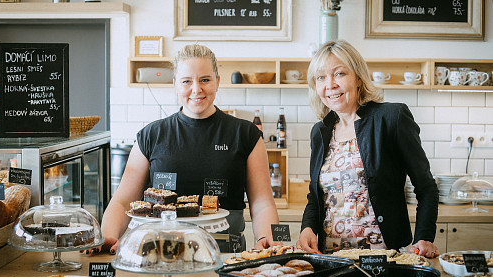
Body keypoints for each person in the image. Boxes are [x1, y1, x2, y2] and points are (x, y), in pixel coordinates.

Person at [90, 44, 279, 255]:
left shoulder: (246, 135)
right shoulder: (151, 136)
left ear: (218, 81)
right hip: (161, 255)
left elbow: (262, 202)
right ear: (175, 85)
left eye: (205, 80)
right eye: (186, 81)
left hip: (225, 254)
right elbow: (122, 201)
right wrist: (108, 236)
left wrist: (268, 239)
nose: (196, 89)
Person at [296, 40, 439, 258]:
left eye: (340, 74)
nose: (330, 84)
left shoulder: (391, 118)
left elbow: (426, 187)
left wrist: (424, 237)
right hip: (331, 260)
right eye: (321, 77)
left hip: (386, 258)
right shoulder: (320, 131)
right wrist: (307, 228)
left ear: (359, 78)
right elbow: (315, 196)